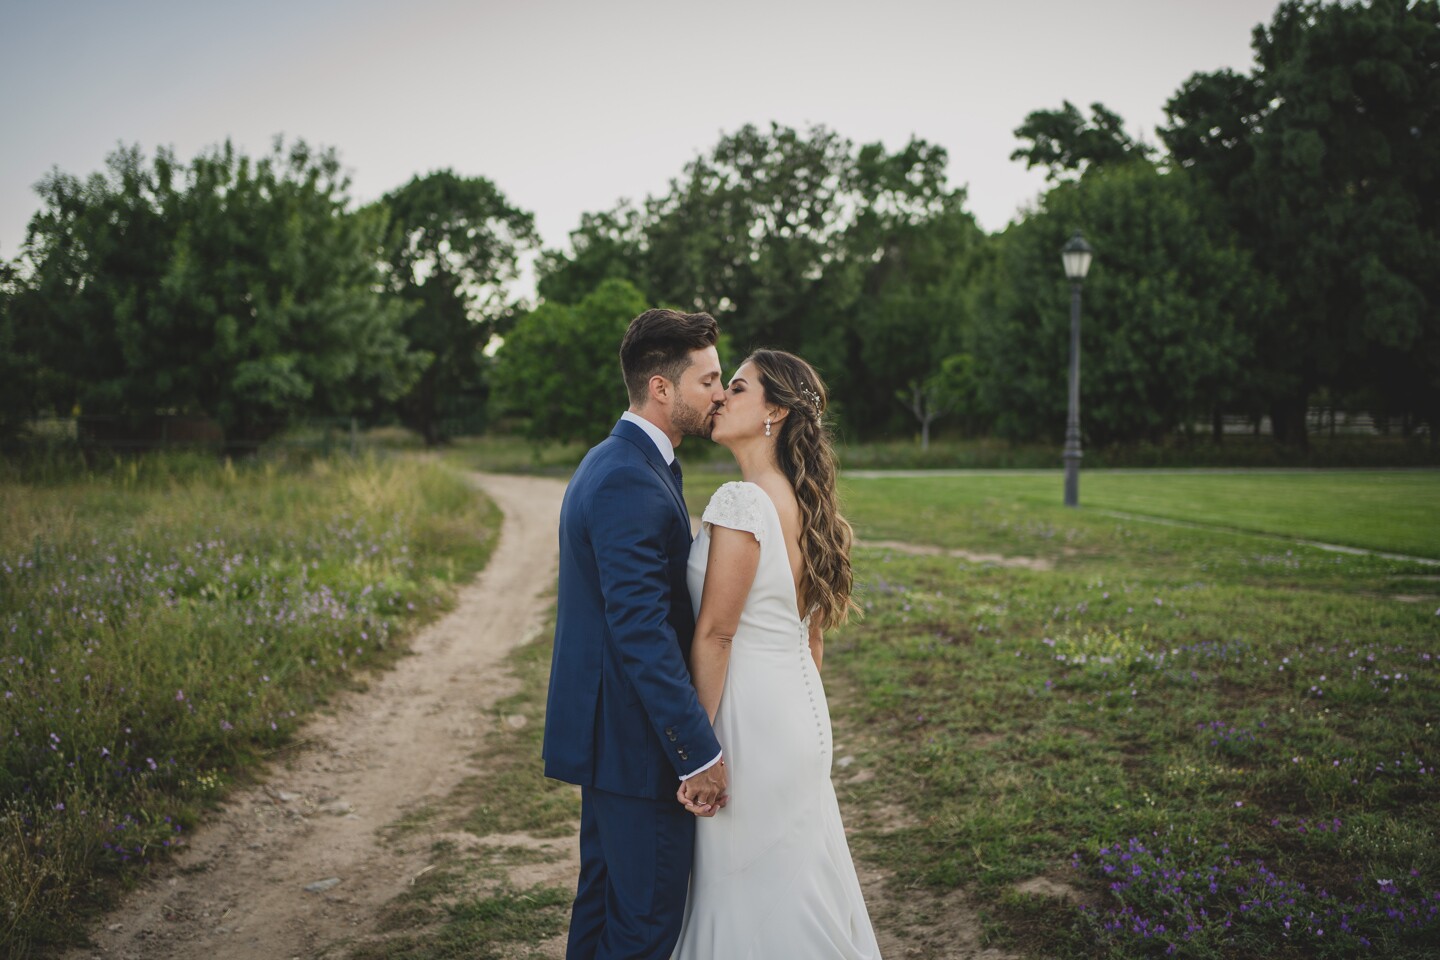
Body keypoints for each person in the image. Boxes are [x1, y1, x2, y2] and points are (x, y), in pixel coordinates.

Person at [671, 349, 881, 959]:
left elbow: (716, 634)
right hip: (798, 713)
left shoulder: (743, 502)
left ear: (776, 412)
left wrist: (694, 748)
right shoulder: (804, 503)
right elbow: (810, 638)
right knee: (790, 881)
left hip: (750, 721)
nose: (720, 396)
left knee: (746, 889)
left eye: (737, 388)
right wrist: (798, 718)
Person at [542, 308, 731, 960]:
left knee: (604, 913)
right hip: (635, 745)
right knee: (644, 927)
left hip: (613, 743)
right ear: (661, 387)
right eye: (708, 380)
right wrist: (697, 753)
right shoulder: (628, 476)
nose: (719, 393)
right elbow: (641, 631)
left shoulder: (621, 460)